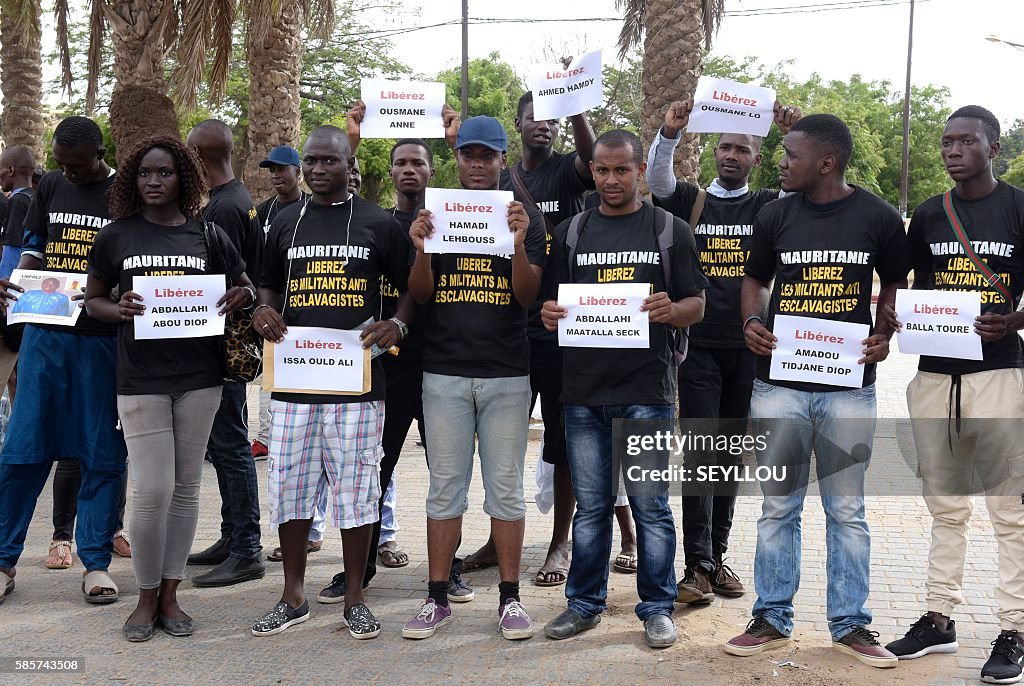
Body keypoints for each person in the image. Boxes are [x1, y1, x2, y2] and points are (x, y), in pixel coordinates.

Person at [724, 114, 908, 668]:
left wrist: (882, 334)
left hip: (849, 389)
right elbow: (753, 280)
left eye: (790, 154)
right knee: (778, 507)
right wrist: (751, 323)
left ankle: (851, 625)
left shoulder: (876, 216)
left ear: (826, 162)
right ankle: (771, 618)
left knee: (846, 510)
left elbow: (895, 283)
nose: (780, 161)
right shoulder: (775, 213)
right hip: (778, 385)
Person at [84, 134, 255, 641]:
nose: (153, 182)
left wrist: (239, 296)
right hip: (140, 379)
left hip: (200, 379)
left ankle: (171, 595)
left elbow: (242, 283)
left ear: (185, 177)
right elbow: (93, 301)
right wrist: (120, 309)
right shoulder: (117, 236)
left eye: (164, 173)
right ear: (133, 180)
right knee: (151, 490)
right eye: (144, 173)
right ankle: (143, 596)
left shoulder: (208, 235)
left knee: (184, 491)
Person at [539, 129, 706, 648]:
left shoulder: (668, 229)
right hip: (583, 393)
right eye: (602, 170)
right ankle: (584, 604)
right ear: (591, 171)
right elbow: (552, 305)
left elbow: (697, 304)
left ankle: (657, 608)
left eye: (622, 170)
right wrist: (549, 315)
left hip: (647, 392)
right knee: (590, 509)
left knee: (651, 506)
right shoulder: (571, 231)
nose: (611, 180)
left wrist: (671, 310)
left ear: (639, 172)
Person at [879, 106, 1024, 685]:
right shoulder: (929, 213)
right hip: (935, 377)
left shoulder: (1017, 206)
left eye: (967, 141)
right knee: (945, 506)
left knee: (1009, 511)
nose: (953, 149)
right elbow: (906, 284)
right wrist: (891, 314)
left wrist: (1015, 319)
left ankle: (1013, 629)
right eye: (947, 141)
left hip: (1000, 376)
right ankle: (939, 620)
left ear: (993, 147)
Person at [250, 125, 412, 639]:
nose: (319, 170)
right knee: (291, 487)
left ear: (350, 166)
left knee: (358, 488)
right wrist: (264, 309)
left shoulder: (377, 223)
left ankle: (356, 597)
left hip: (359, 383)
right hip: (295, 380)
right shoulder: (284, 221)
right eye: (311, 161)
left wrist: (398, 324)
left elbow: (412, 287)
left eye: (329, 161)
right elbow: (268, 282)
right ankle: (292, 595)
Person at [646, 98, 801, 602]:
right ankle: (696, 565)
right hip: (696, 348)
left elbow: (795, 184)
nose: (732, 155)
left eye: (743, 149)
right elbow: (657, 180)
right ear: (713, 151)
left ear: (758, 158)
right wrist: (669, 134)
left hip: (751, 349)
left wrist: (790, 132)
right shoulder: (690, 200)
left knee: (730, 457)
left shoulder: (766, 207)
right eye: (725, 146)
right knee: (699, 452)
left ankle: (718, 556)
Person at [401, 116, 546, 641]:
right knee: (445, 490)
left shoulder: (521, 215)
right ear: (456, 160)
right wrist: (420, 248)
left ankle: (510, 600)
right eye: (469, 155)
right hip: (443, 373)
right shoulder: (434, 212)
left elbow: (528, 296)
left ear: (503, 159)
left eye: (488, 155)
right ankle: (436, 597)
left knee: (505, 490)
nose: (478, 164)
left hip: (507, 374)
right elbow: (420, 294)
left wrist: (519, 241)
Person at [459, 88, 596, 589]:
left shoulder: (566, 169)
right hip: (513, 325)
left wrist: (575, 105)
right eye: (534, 118)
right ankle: (500, 539)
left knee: (561, 441)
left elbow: (589, 156)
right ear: (516, 127)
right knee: (505, 443)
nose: (544, 125)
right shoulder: (497, 179)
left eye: (552, 120)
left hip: (565, 323)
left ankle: (560, 541)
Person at [0, 116, 127, 605]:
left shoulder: (125, 194)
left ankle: (95, 563)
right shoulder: (50, 185)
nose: (67, 172)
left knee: (100, 451)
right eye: (60, 164)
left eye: (76, 165)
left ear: (99, 153)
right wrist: (19, 282)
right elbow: (35, 249)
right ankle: (5, 560)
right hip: (45, 334)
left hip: (99, 338)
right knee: (23, 448)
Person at [184, 119, 265, 588]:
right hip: (224, 343)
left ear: (197, 155)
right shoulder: (234, 200)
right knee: (224, 444)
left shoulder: (223, 210)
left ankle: (246, 548)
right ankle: (230, 534)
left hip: (224, 346)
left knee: (231, 446)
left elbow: (218, 282)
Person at [253, 145, 308, 461]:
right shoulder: (261, 212)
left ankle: (295, 435)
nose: (276, 175)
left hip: (304, 305)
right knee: (269, 374)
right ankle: (265, 438)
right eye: (271, 170)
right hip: (272, 308)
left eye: (282, 169)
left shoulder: (311, 208)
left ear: (298, 172)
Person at [0, 145, 36, 279]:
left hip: (12, 284)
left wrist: (4, 282)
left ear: (10, 170)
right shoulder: (34, 197)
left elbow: (12, 250)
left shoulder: (18, 201)